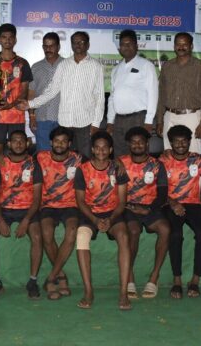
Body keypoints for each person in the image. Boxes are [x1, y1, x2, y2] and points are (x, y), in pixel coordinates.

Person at [21, 31, 104, 158]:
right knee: (65, 160)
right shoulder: (64, 65)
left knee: (84, 159)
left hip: (85, 123)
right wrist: (30, 104)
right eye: (74, 42)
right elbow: (52, 91)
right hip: (65, 123)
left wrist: (96, 123)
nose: (78, 45)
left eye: (81, 42)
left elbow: (99, 97)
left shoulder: (96, 66)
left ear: (88, 45)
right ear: (71, 45)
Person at [73, 131, 132, 310]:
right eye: (97, 148)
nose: (101, 151)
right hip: (90, 214)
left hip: (113, 213)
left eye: (104, 148)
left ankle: (123, 293)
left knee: (124, 237)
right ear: (92, 149)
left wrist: (110, 219)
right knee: (81, 237)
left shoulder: (118, 169)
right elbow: (80, 201)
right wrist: (95, 219)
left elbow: (122, 202)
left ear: (110, 150)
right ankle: (88, 291)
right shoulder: (82, 170)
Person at [0, 130, 43, 300]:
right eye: (15, 141)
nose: (18, 144)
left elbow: (37, 198)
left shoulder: (34, 165)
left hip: (27, 209)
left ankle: (32, 281)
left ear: (27, 143)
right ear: (9, 144)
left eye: (22, 141)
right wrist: (0, 220)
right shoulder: (1, 164)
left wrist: (26, 220)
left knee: (37, 236)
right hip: (4, 209)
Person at [119, 127, 170, 300]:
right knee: (133, 231)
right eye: (133, 142)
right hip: (128, 208)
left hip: (150, 207)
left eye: (141, 142)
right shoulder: (121, 162)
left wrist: (148, 209)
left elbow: (162, 194)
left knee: (165, 229)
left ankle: (154, 277)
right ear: (128, 144)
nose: (137, 145)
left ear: (147, 144)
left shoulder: (157, 165)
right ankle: (129, 277)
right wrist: (128, 206)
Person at [159, 125, 201, 299]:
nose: (180, 144)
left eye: (184, 141)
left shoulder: (198, 160)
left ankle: (195, 280)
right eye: (176, 141)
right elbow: (158, 189)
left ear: (189, 142)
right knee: (175, 235)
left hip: (193, 203)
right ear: (170, 143)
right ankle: (177, 280)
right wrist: (173, 203)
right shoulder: (163, 160)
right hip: (170, 204)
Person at [37, 126, 82, 300]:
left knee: (71, 232)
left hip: (71, 205)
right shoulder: (40, 157)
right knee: (46, 233)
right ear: (51, 143)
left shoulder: (78, 159)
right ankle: (61, 275)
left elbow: (100, 160)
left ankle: (51, 278)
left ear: (69, 144)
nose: (60, 144)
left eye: (64, 141)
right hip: (47, 205)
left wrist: (118, 162)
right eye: (57, 141)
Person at [0, 23, 33, 165]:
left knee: (18, 151)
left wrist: (10, 105)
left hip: (16, 116)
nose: (7, 40)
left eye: (10, 37)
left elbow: (24, 91)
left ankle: (15, 177)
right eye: (4, 37)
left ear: (15, 40)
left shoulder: (22, 63)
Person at [156, 32, 201, 154]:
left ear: (191, 46)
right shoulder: (167, 66)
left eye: (184, 44)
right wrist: (160, 120)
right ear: (174, 46)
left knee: (193, 155)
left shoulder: (200, 67)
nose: (181, 47)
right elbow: (161, 95)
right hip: (169, 116)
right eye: (178, 44)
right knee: (169, 154)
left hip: (191, 117)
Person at [106, 29, 158, 157]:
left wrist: (149, 121)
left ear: (136, 46)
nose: (126, 47)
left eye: (129, 44)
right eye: (123, 44)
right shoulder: (116, 69)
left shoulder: (146, 65)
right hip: (119, 120)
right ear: (119, 47)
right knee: (119, 156)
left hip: (138, 119)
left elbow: (153, 93)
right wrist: (110, 121)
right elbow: (112, 97)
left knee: (139, 156)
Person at [29, 32, 63, 151]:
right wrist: (32, 116)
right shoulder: (36, 67)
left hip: (63, 119)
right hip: (42, 119)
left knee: (62, 155)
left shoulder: (67, 65)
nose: (48, 49)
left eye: (52, 46)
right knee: (43, 155)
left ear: (58, 47)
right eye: (46, 46)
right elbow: (31, 94)